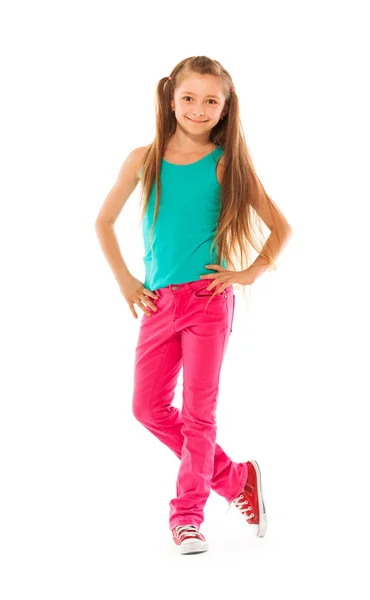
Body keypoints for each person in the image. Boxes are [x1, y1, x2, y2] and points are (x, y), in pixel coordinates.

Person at [95, 55, 292, 555]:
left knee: (200, 416)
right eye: (189, 98)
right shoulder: (143, 158)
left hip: (207, 302)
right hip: (158, 303)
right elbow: (103, 222)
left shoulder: (226, 161)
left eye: (211, 101)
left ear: (225, 108)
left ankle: (187, 518)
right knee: (147, 407)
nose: (198, 109)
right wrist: (125, 282)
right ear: (170, 98)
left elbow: (280, 227)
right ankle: (236, 478)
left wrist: (246, 272)